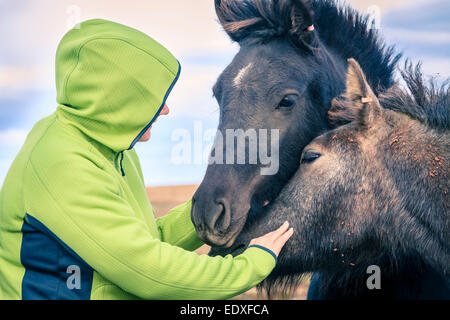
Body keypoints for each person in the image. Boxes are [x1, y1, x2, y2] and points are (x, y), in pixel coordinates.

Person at [0, 19, 293, 300]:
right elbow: (149, 272)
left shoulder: (113, 149)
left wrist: (216, 208)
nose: (165, 110)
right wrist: (254, 262)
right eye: (149, 99)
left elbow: (146, 241)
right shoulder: (62, 163)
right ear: (115, 99)